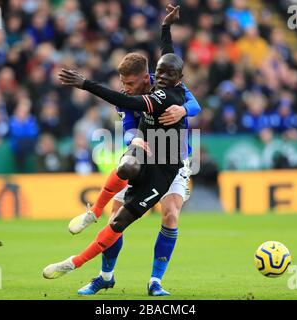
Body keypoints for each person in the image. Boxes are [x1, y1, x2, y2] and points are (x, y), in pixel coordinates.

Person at [43, 5, 191, 297]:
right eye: (122, 83)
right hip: (146, 151)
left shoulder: (165, 89)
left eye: (129, 83)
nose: (124, 88)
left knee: (170, 215)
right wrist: (165, 27)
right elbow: (130, 116)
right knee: (118, 206)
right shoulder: (140, 89)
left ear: (147, 77)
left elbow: (172, 72)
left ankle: (155, 281)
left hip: (172, 159)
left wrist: (186, 108)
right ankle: (104, 271)